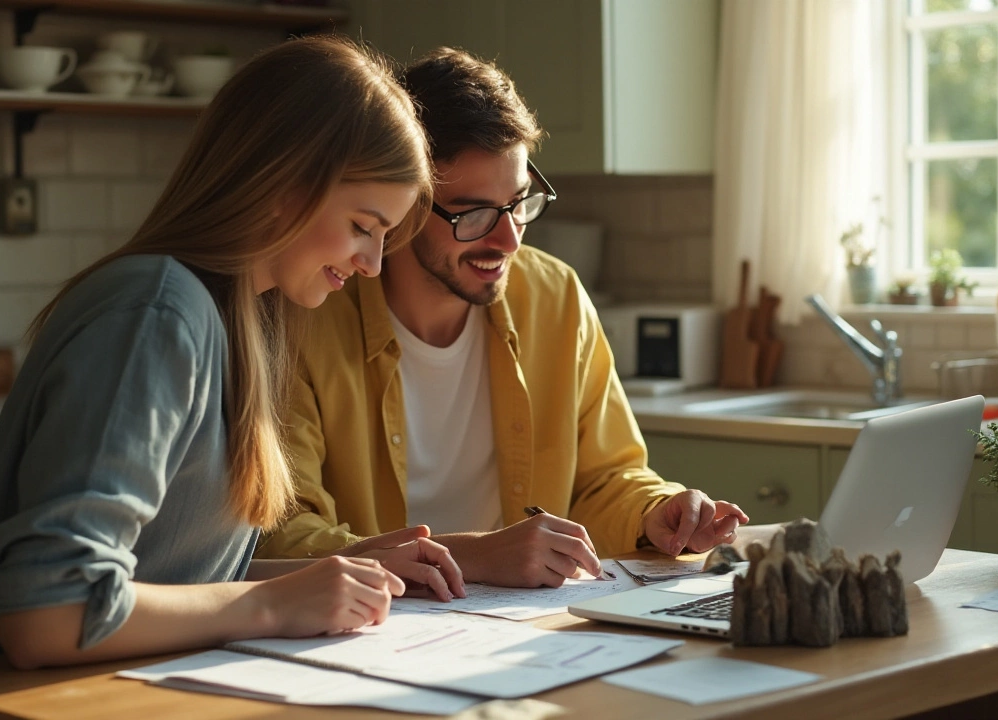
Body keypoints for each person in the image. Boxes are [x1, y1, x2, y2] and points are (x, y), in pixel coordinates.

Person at [0, 36, 466, 673]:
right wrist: (274, 603)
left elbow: (170, 574)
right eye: (363, 226)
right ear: (282, 183)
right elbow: (48, 614)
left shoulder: (235, 318)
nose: (371, 264)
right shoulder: (155, 314)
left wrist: (336, 570)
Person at [259, 47, 749, 588]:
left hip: (520, 626)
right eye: (473, 214)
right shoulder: (308, 315)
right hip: (372, 623)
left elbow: (606, 479)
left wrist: (655, 514)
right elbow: (283, 529)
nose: (509, 238)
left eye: (518, 202)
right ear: (403, 204)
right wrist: (471, 555)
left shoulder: (555, 296)